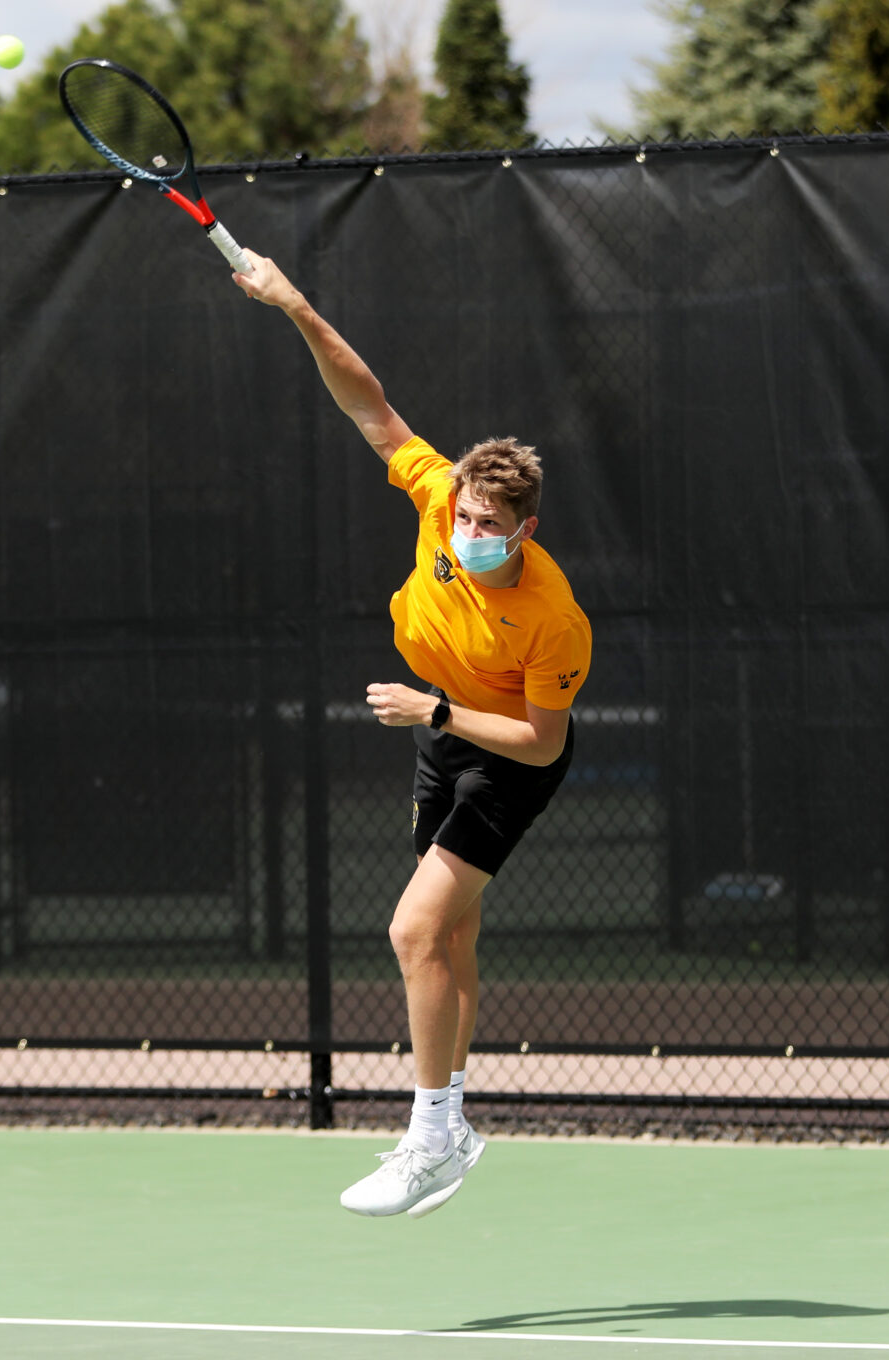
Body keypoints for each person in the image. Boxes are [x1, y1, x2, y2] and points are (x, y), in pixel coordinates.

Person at [233, 254, 592, 1219]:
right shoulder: (438, 497)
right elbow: (370, 405)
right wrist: (294, 304)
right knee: (453, 933)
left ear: (525, 528)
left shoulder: (554, 617)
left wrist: (434, 712)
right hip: (445, 730)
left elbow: (542, 743)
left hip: (511, 753)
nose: (473, 530)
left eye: (492, 524)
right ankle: (458, 1126)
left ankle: (429, 1135)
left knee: (413, 927)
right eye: (467, 514)